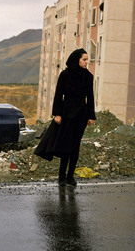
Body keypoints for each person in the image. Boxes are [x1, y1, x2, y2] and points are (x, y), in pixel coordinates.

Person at [35, 48, 95, 187]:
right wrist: (57, 113)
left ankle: (70, 177)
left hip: (81, 114)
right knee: (65, 145)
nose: (87, 62)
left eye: (87, 60)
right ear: (76, 60)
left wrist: (91, 116)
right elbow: (58, 95)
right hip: (66, 113)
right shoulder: (65, 75)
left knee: (75, 146)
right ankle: (61, 176)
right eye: (84, 59)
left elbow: (90, 97)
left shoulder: (88, 76)